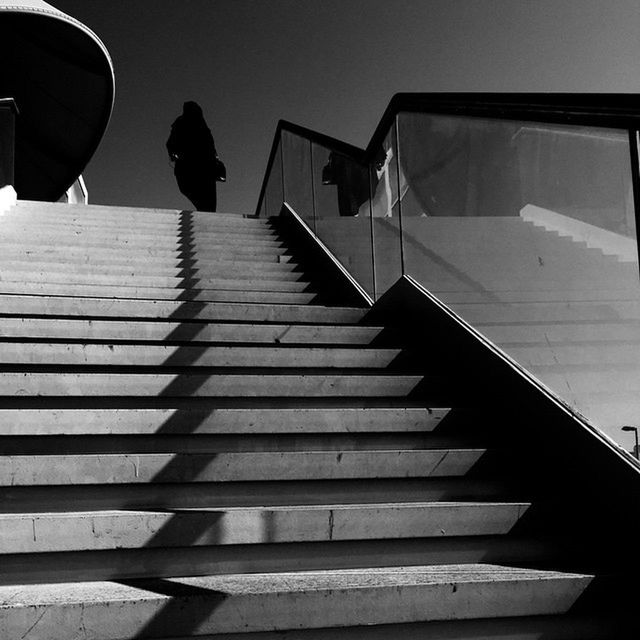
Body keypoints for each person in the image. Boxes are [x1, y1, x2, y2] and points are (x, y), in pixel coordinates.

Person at [166, 101, 218, 212]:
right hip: (196, 164)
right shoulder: (185, 123)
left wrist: (173, 153)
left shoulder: (199, 126)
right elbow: (171, 142)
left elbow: (210, 145)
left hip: (201, 165)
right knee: (195, 190)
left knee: (201, 193)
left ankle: (206, 212)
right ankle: (205, 211)